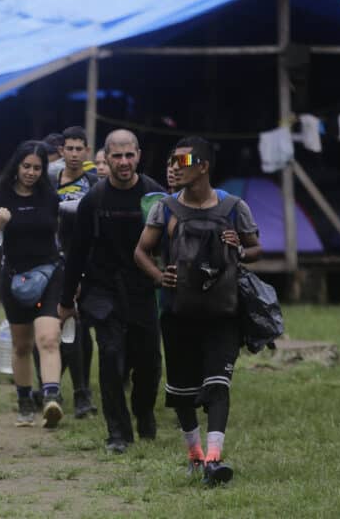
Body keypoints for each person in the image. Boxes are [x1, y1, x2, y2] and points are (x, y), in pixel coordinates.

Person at [134, 137, 262, 485]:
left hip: (224, 312)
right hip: (178, 314)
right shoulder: (164, 208)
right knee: (182, 394)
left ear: (203, 166)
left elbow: (256, 250)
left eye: (183, 161)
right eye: (172, 161)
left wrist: (238, 248)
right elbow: (141, 251)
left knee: (218, 385)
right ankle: (194, 456)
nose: (175, 166)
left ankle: (213, 460)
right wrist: (161, 277)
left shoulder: (236, 207)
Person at [57, 129, 165, 453]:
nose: (123, 162)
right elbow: (76, 253)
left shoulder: (154, 196)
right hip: (102, 290)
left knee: (148, 362)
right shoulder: (95, 199)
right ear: (105, 157)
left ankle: (144, 412)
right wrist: (66, 301)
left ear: (139, 156)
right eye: (116, 156)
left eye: (129, 155)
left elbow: (171, 242)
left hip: (143, 290)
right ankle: (117, 433)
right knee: (111, 356)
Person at [0, 140, 66, 429]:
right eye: (26, 166)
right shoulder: (1, 199)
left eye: (37, 168)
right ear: (17, 166)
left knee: (49, 338)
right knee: (22, 345)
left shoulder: (51, 199)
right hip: (14, 278)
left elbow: (67, 234)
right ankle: (25, 400)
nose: (31, 172)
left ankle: (51, 396)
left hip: (50, 273)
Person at [46, 126, 98, 419]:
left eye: (80, 148)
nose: (75, 154)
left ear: (87, 151)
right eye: (70, 148)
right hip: (53, 262)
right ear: (62, 150)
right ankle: (54, 389)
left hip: (86, 264)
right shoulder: (49, 180)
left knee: (80, 328)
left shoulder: (94, 184)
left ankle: (80, 393)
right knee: (56, 327)